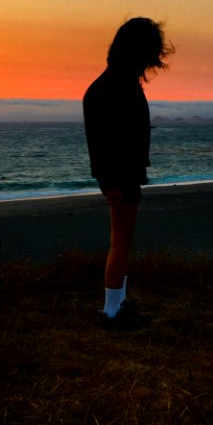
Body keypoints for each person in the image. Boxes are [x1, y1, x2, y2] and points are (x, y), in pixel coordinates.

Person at [82, 17, 173, 329]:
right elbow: (104, 140)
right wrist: (111, 181)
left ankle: (117, 306)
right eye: (150, 54)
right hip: (120, 176)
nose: (153, 62)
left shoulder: (109, 85)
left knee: (121, 243)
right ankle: (111, 312)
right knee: (120, 243)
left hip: (122, 175)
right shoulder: (114, 87)